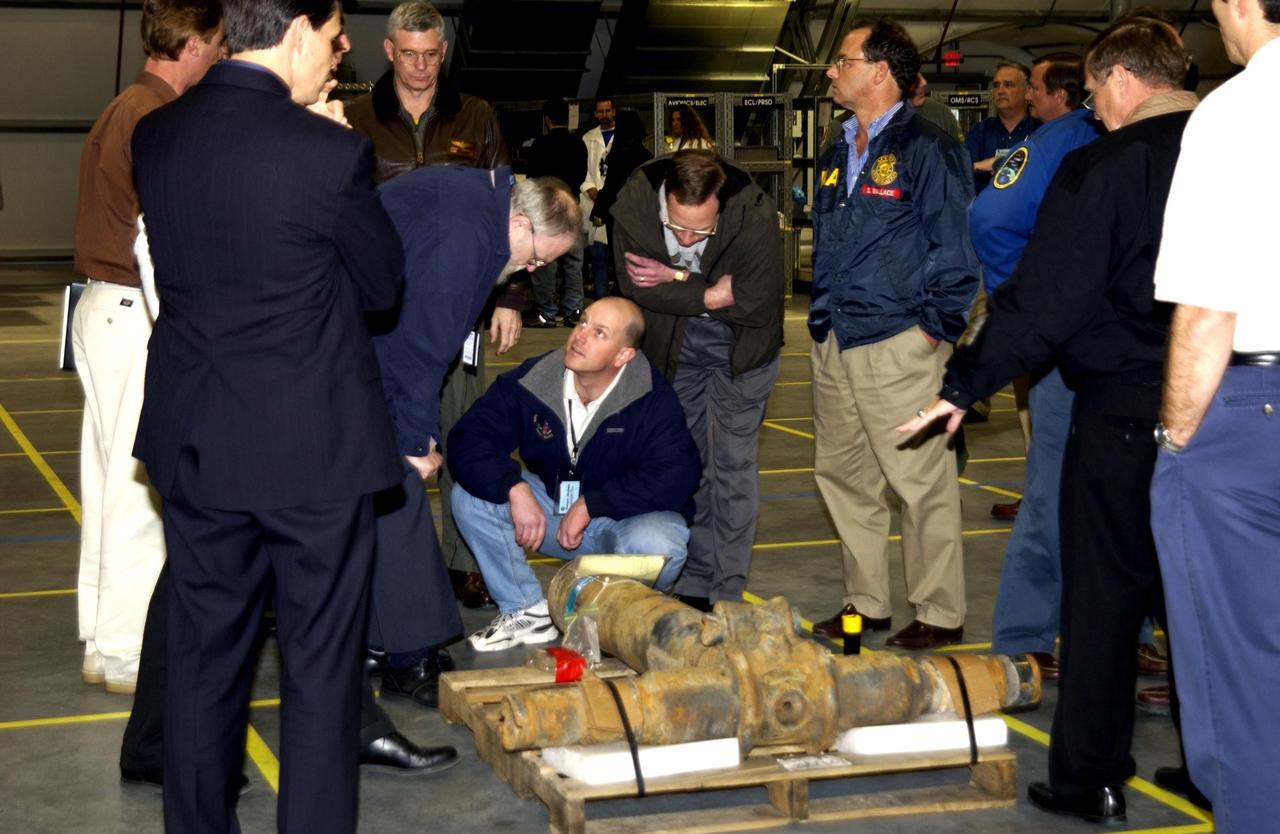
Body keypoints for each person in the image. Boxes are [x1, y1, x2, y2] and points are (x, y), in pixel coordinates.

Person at [899, 19, 1197, 825]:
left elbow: (1049, 296)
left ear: (1125, 81)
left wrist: (967, 382)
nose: (1092, 108)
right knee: (1199, 598)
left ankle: (1090, 777)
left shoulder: (1105, 164)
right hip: (1232, 405)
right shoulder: (1239, 148)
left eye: (1096, 92)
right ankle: (1213, 764)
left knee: (1101, 597)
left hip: (1129, 403)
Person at [130, 0, 414, 827]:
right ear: (292, 33)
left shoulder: (159, 134)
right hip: (310, 452)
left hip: (196, 439)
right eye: (331, 40)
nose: (339, 57)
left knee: (203, 664)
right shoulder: (327, 151)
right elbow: (381, 288)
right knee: (320, 676)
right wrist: (324, 141)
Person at [369, 171, 581, 700]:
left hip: (361, 343)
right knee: (399, 499)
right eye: (536, 257)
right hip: (351, 352)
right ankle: (407, 655)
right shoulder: (463, 243)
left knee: (376, 503)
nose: (532, 270)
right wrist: (415, 441)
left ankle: (383, 641)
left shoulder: (481, 204)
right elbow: (420, 350)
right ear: (519, 221)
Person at [808, 19, 978, 650]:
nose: (832, 70)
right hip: (834, 335)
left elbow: (956, 248)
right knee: (843, 477)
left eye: (842, 60)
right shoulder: (836, 145)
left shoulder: (928, 145)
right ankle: (865, 603)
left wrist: (934, 331)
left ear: (879, 71)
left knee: (921, 482)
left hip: (897, 339)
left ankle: (939, 610)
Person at [1151, 0, 1280, 828]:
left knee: (1240, 679)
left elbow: (1207, 308)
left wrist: (1176, 438)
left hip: (1251, 417)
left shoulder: (1237, 113)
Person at [71, 0, 223, 698]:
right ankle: (131, 651)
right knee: (137, 494)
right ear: (191, 44)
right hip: (135, 311)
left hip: (102, 308)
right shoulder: (153, 117)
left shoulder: (123, 104)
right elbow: (154, 238)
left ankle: (105, 642)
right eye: (218, 44)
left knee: (107, 485)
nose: (221, 56)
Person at [345, 0, 518, 611]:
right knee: (389, 436)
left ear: (443, 53)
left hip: (461, 306)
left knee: (465, 435)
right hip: (382, 306)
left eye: (431, 54)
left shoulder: (476, 114)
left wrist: (510, 296)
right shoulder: (355, 116)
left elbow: (511, 208)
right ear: (389, 51)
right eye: (408, 54)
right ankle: (391, 569)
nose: (420, 67)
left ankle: (464, 564)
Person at [448, 297, 701, 651]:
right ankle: (525, 611)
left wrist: (592, 504)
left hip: (622, 524)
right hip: (552, 516)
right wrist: (514, 487)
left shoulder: (651, 397)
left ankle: (633, 611)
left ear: (623, 355)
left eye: (599, 333)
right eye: (582, 322)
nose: (579, 336)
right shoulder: (535, 379)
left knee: (661, 543)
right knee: (473, 496)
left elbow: (677, 475)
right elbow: (469, 438)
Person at [969, 51, 1100, 679]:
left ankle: (1113, 632)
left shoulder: (1104, 138)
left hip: (1114, 349)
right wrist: (1026, 301)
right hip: (1072, 348)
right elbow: (991, 215)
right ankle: (1027, 636)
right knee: (1055, 490)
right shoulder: (1062, 141)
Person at [612, 150, 784, 608]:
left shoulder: (753, 210)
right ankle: (693, 580)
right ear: (663, 199)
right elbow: (636, 287)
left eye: (701, 231)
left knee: (732, 470)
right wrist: (709, 290)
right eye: (676, 228)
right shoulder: (633, 202)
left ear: (721, 206)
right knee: (687, 467)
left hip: (743, 352)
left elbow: (757, 299)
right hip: (675, 352)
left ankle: (727, 591)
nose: (687, 236)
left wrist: (676, 275)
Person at [524, 97, 588, 327]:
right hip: (572, 207)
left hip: (546, 211)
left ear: (547, 119)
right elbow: (582, 175)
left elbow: (532, 178)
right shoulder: (579, 144)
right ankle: (574, 310)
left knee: (544, 263)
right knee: (573, 263)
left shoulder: (540, 145)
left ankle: (546, 313)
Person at [964, 60, 1038, 191]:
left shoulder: (1040, 131)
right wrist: (982, 165)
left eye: (1008, 85)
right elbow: (960, 172)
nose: (1000, 91)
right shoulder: (979, 132)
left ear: (1027, 92)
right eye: (996, 85)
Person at [581, 97, 615, 300]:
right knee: (598, 253)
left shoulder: (622, 136)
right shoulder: (588, 138)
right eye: (601, 111)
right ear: (595, 114)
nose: (605, 115)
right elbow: (582, 169)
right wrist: (591, 189)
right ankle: (601, 296)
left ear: (614, 112)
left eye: (608, 110)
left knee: (617, 254)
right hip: (595, 201)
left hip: (616, 202)